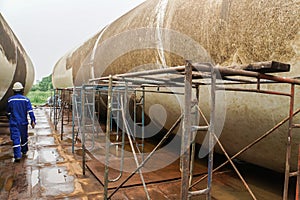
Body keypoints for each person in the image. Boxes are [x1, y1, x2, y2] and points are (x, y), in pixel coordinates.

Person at [7, 82, 36, 162]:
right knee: (24, 138)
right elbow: (30, 111)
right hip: (23, 123)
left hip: (14, 123)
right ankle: (24, 150)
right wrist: (33, 120)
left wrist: (10, 119)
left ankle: (17, 156)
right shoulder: (26, 100)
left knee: (16, 139)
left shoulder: (10, 100)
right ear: (22, 90)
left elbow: (8, 112)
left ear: (14, 90)